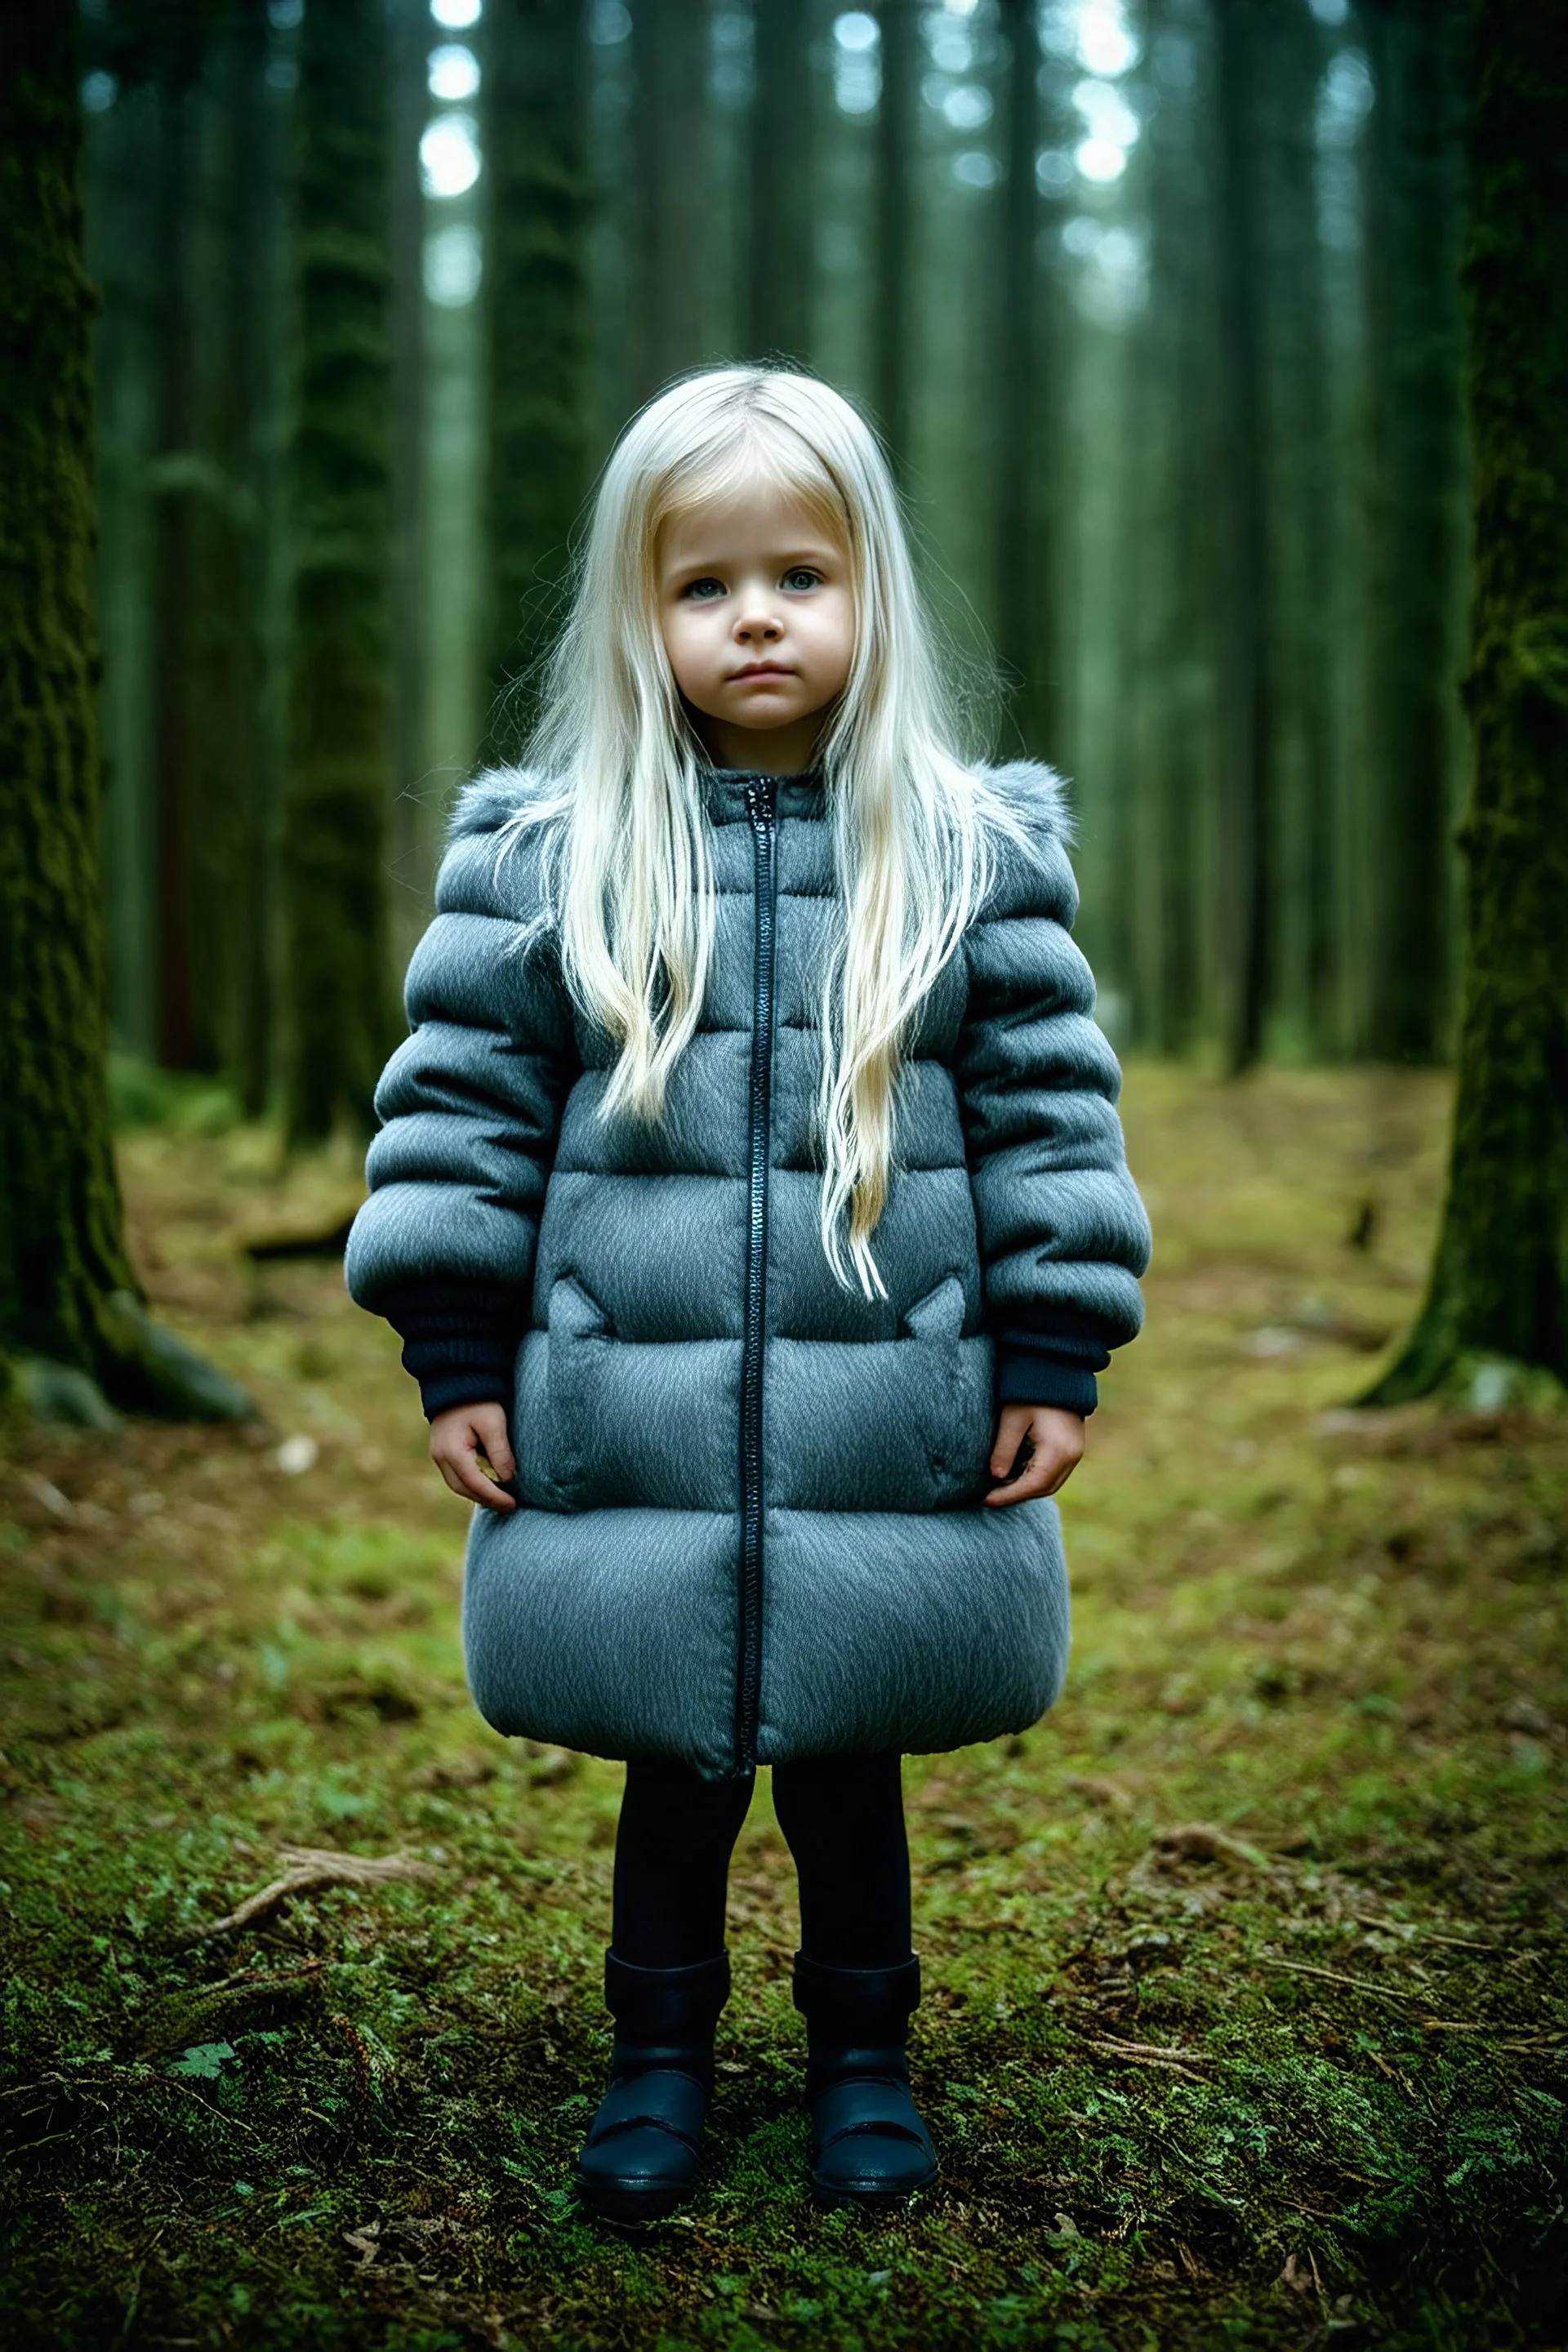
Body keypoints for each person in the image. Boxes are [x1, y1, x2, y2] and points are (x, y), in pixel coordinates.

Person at [345, 365, 1150, 2223]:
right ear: (641, 613)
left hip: (901, 1407)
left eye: (800, 574)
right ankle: (659, 2059)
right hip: (626, 1415)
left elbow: (1051, 1112)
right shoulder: (547, 862)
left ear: (874, 594)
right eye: (704, 586)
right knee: (674, 1752)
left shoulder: (965, 858)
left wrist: (1057, 1338)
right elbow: (458, 1107)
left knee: (853, 1746)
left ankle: (869, 2057)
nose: (756, 614)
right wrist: (453, 1339)